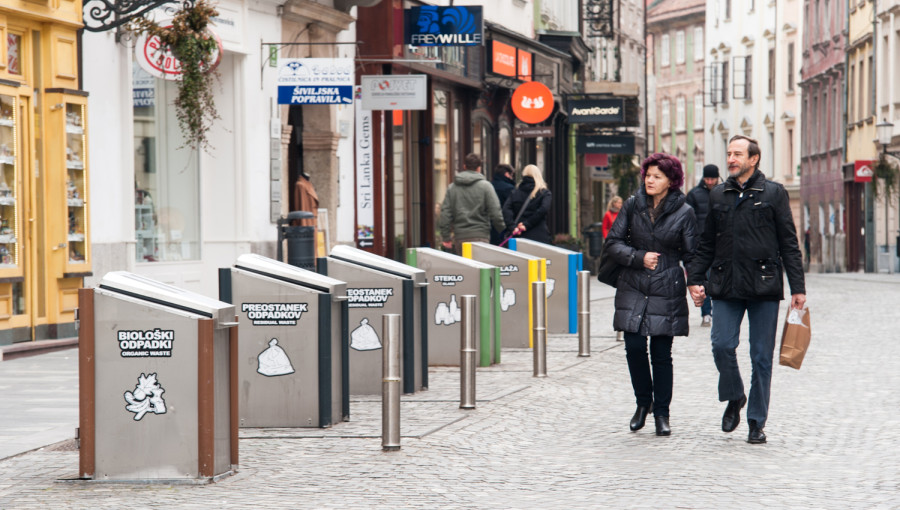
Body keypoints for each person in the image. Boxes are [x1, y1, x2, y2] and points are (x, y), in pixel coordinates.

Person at [687, 135, 806, 445]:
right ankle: (734, 395)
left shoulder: (774, 194)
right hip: (726, 284)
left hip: (764, 286)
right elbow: (706, 244)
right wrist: (695, 279)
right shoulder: (718, 195)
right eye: (729, 153)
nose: (731, 159)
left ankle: (756, 421)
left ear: (754, 159)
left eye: (738, 154)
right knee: (722, 345)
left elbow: (789, 244)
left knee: (761, 357)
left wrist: (798, 288)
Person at [604, 153, 698, 437]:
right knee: (633, 347)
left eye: (657, 176)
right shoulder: (633, 205)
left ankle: (662, 413)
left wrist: (695, 283)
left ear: (671, 181)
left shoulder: (685, 212)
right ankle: (642, 404)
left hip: (666, 286)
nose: (650, 180)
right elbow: (613, 243)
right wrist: (639, 257)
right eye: (648, 175)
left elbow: (692, 254)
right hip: (633, 283)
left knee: (661, 353)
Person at [439, 153, 506, 255]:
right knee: (481, 269)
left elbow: (445, 214)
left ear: (464, 166)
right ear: (479, 168)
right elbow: (495, 212)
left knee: (464, 269)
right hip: (481, 236)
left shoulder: (452, 188)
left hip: (460, 237)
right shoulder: (486, 186)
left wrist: (446, 237)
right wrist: (503, 231)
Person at [685, 164, 720, 327]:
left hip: (721, 244)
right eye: (707, 178)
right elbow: (688, 222)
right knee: (704, 280)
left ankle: (719, 312)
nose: (710, 181)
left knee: (718, 279)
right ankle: (706, 313)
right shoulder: (694, 195)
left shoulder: (724, 193)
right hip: (701, 245)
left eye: (713, 178)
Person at [501, 164, 552, 244]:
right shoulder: (544, 193)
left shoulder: (515, 192)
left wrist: (512, 227)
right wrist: (527, 224)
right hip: (539, 236)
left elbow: (506, 209)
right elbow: (543, 209)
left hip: (519, 237)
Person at [602, 195, 625, 341]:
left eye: (621, 202)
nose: (619, 204)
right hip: (612, 245)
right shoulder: (608, 214)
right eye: (617, 202)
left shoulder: (624, 213)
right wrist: (608, 239)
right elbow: (605, 228)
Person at [490, 164, 516, 244]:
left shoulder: (489, 186)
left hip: (489, 227)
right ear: (507, 174)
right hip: (504, 226)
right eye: (512, 175)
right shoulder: (509, 188)